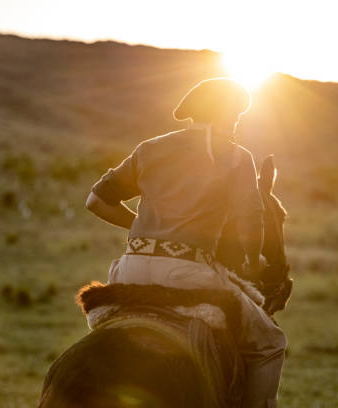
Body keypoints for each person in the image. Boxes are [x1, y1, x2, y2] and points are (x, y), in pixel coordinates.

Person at [85, 78, 286, 408]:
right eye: (234, 117)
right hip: (189, 273)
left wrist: (138, 225)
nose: (235, 125)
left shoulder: (148, 149)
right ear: (224, 116)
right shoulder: (236, 157)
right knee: (270, 343)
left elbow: (95, 201)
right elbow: (252, 218)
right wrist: (252, 261)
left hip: (129, 271)